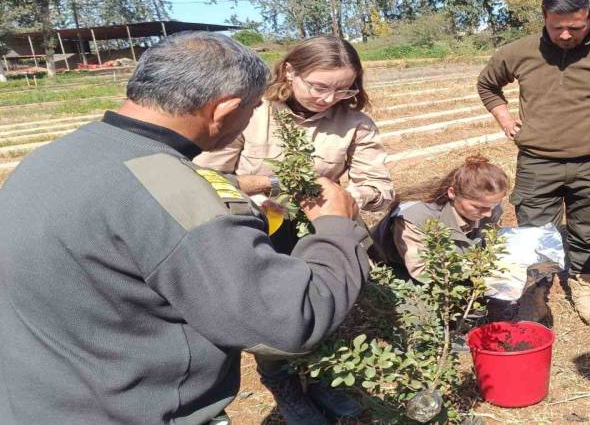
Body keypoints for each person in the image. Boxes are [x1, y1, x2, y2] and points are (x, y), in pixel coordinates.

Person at [0, 32, 370, 425]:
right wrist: (335, 228)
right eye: (252, 108)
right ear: (225, 111)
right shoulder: (178, 193)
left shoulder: (53, 158)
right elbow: (292, 321)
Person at [195, 35, 392, 423]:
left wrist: (342, 196)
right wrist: (268, 187)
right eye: (319, 86)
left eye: (343, 88)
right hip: (258, 228)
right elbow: (205, 176)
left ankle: (324, 377)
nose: (328, 98)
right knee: (272, 313)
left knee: (328, 304)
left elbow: (381, 188)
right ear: (289, 71)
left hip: (319, 228)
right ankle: (282, 384)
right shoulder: (252, 113)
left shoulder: (354, 123)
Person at [477, 0, 590, 325]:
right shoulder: (518, 52)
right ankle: (536, 292)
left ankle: (583, 286)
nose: (564, 35)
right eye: (555, 26)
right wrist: (503, 114)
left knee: (589, 227)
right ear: (544, 19)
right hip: (537, 161)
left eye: (575, 28)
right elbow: (487, 84)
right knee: (534, 230)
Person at [369, 154, 508, 283]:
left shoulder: (489, 207)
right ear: (452, 193)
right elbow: (423, 272)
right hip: (392, 270)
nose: (488, 214)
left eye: (493, 205)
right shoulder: (415, 218)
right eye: (478, 206)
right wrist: (476, 269)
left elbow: (486, 242)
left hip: (456, 268)